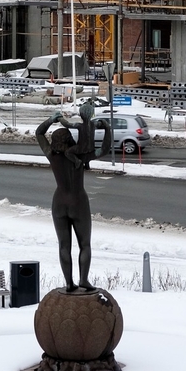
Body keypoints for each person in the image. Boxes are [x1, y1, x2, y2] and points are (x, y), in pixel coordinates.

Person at [36, 99, 108, 291]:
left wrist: (51, 120)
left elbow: (39, 133)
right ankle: (83, 280)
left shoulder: (51, 155)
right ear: (69, 140)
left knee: (63, 245)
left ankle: (69, 283)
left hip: (59, 202)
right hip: (78, 202)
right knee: (84, 244)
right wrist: (107, 129)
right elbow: (104, 149)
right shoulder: (81, 156)